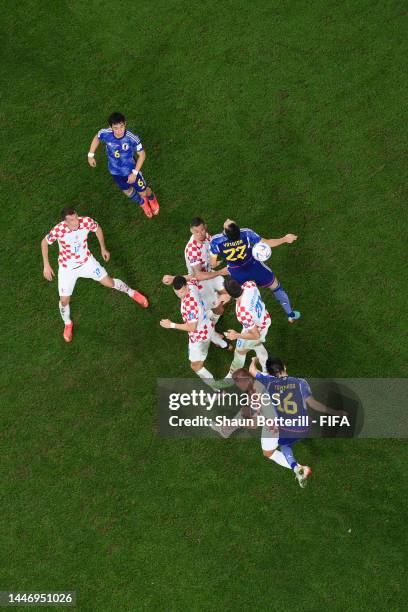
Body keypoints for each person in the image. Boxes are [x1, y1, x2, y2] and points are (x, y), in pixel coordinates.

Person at [41, 208, 148, 342]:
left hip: (87, 263)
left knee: (109, 282)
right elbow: (44, 242)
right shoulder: (59, 230)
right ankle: (68, 323)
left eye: (76, 217)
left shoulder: (85, 222)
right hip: (67, 269)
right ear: (65, 222)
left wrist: (103, 248)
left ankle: (132, 292)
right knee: (64, 301)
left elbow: (97, 229)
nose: (77, 221)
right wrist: (46, 264)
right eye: (73, 220)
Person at [249, 356, 347, 487]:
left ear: (270, 373)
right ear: (284, 366)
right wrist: (335, 412)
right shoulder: (301, 382)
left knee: (272, 451)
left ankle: (297, 467)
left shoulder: (268, 381)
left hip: (283, 428)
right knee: (285, 442)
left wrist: (253, 360)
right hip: (303, 427)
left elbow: (252, 370)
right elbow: (312, 403)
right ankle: (297, 468)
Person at [210, 219, 300, 322]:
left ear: (225, 233)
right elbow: (267, 243)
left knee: (241, 298)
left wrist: (216, 263)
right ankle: (290, 314)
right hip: (254, 266)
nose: (228, 219)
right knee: (276, 286)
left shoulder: (216, 241)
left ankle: (251, 321)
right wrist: (284, 239)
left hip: (236, 273)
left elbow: (212, 263)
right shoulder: (246, 233)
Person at [159, 276, 231, 386]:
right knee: (211, 333)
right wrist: (173, 278)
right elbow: (192, 278)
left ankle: (218, 389)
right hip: (207, 323)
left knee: (196, 366)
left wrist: (171, 325)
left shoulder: (190, 305)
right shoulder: (192, 286)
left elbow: (192, 327)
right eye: (177, 292)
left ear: (186, 286)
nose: (180, 295)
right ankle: (225, 345)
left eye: (182, 291)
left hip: (199, 337)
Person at [87, 112, 159, 218]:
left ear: (125, 124)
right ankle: (142, 203)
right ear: (111, 127)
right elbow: (97, 137)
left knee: (143, 192)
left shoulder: (132, 138)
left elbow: (142, 155)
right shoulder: (105, 133)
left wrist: (134, 173)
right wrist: (91, 154)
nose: (119, 130)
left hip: (131, 171)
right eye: (115, 128)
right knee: (127, 190)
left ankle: (152, 198)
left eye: (121, 127)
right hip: (115, 172)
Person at [162, 217, 230, 321]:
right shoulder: (192, 250)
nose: (200, 234)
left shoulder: (206, 236)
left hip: (209, 272)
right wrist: (220, 272)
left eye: (202, 230)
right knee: (219, 309)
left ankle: (214, 301)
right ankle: (213, 319)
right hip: (199, 280)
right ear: (191, 231)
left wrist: (227, 231)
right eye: (196, 232)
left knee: (228, 295)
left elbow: (215, 244)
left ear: (205, 227)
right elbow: (198, 275)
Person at [223, 278, 271, 377]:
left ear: (230, 294)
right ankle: (266, 367)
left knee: (240, 351)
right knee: (256, 344)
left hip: (257, 329)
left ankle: (231, 376)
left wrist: (236, 335)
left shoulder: (242, 312)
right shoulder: (249, 285)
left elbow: (255, 335)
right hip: (263, 320)